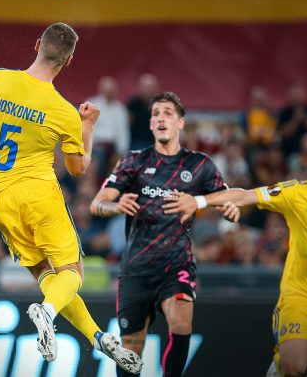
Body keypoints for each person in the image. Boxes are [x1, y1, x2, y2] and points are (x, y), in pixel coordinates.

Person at [0, 22, 142, 373]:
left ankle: (96, 337)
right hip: (39, 195)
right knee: (73, 272)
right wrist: (89, 126)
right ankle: (46, 312)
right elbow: (79, 169)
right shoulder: (64, 111)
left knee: (44, 274)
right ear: (70, 61)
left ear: (37, 45)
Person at [188, 131, 307, 377]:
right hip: (298, 295)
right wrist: (200, 202)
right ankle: (278, 368)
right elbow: (245, 195)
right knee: (294, 367)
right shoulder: (296, 193)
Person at [90, 91, 236, 377]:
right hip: (136, 269)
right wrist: (116, 205)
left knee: (182, 322)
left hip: (176, 263)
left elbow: (229, 199)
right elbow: (97, 204)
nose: (160, 118)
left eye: (168, 113)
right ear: (150, 123)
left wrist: (223, 208)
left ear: (180, 122)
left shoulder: (199, 165)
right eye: (156, 113)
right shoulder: (134, 161)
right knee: (130, 350)